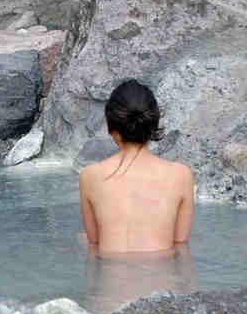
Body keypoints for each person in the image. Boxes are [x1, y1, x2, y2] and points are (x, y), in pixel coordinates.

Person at [79, 79, 194, 254]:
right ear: (153, 124)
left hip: (112, 278)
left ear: (111, 128)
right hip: (163, 278)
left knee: (81, 238)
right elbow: (180, 242)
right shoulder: (181, 175)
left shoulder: (89, 176)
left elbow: (94, 242)